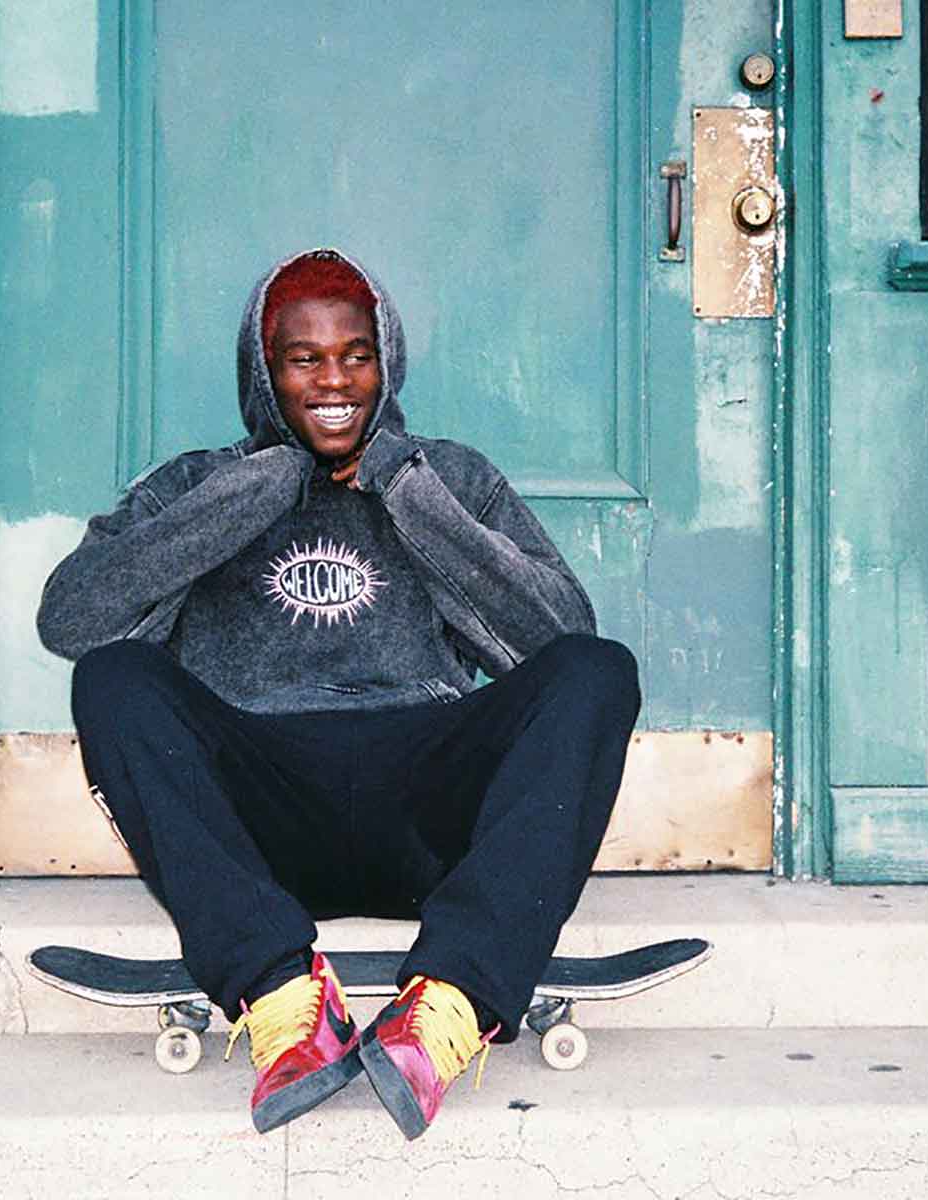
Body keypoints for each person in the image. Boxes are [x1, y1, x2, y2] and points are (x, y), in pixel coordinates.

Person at [36, 248, 640, 1139]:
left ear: (386, 363)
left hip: (426, 809)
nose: (333, 381)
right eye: (303, 359)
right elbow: (72, 619)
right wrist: (257, 487)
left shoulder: (448, 478)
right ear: (263, 369)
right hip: (261, 816)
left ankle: (451, 1003)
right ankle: (282, 994)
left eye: (356, 355)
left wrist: (408, 493)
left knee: (599, 670)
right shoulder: (197, 484)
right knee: (112, 678)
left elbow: (557, 634)